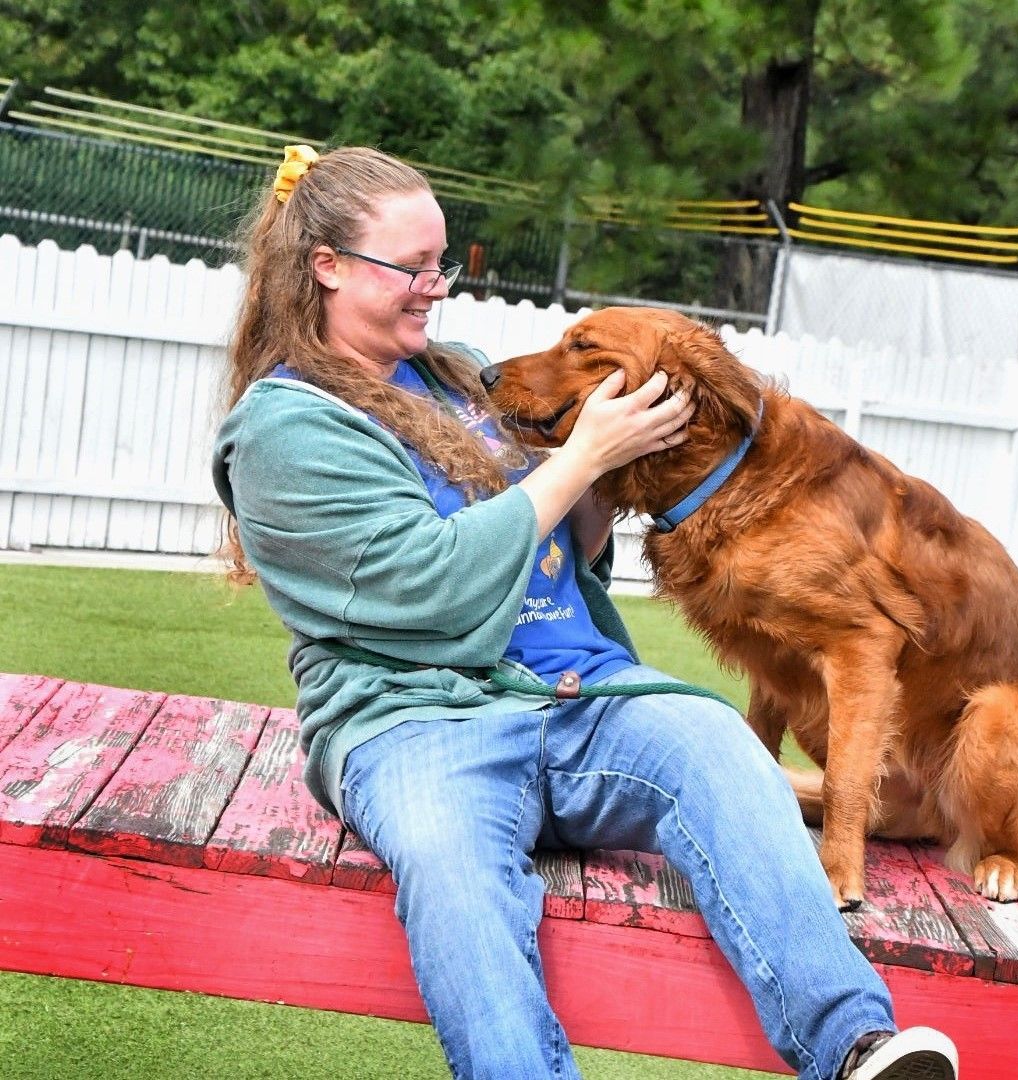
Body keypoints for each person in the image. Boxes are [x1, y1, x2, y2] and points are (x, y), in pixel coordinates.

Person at [211, 143, 960, 1080]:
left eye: (441, 263)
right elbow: (431, 586)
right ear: (326, 266)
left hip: (582, 696)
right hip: (416, 722)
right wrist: (581, 458)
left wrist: (632, 450)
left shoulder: (459, 378)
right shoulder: (291, 426)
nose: (434, 288)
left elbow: (572, 550)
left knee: (719, 744)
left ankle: (855, 1047)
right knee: (454, 877)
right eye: (411, 269)